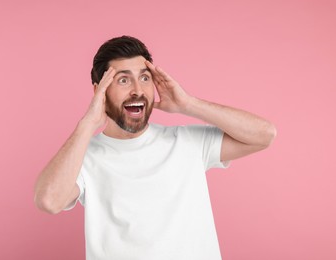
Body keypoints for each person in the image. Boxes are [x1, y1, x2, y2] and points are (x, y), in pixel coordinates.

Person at [34, 35, 276, 260]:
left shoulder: (187, 142)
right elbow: (49, 201)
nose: (137, 90)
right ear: (100, 91)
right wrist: (88, 124)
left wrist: (189, 104)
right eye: (123, 79)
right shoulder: (84, 157)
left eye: (144, 78)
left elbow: (263, 135)